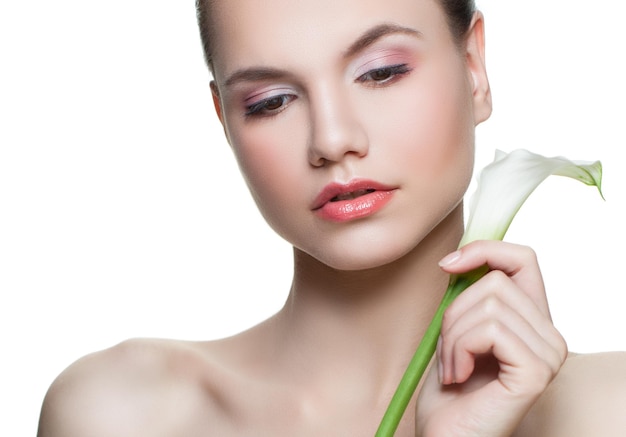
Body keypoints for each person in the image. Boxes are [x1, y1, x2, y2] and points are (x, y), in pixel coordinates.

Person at [37, 0, 626, 435]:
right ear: (225, 123)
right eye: (270, 102)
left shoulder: (608, 412)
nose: (333, 139)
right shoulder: (122, 413)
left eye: (381, 72)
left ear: (473, 66)